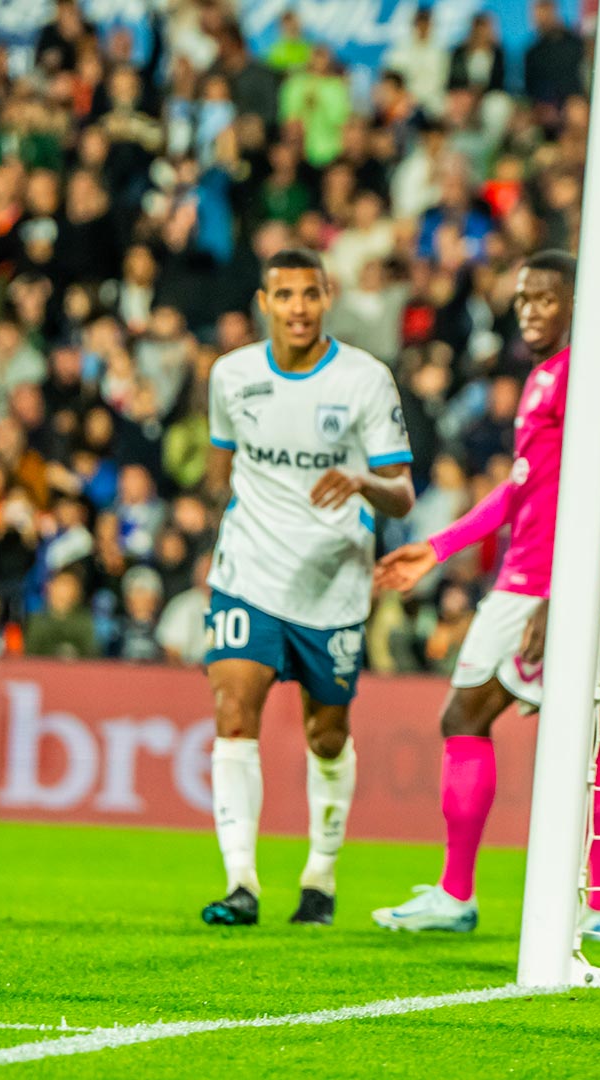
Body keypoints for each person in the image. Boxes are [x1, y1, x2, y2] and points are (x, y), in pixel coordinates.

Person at [369, 250, 600, 937]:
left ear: (577, 302)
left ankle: (586, 906)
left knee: (503, 723)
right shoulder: (544, 377)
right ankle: (587, 905)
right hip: (525, 578)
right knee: (514, 724)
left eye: (544, 298)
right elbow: (521, 493)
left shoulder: (581, 376)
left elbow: (595, 492)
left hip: (546, 584)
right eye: (522, 301)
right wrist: (439, 548)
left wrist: (565, 594)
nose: (530, 311)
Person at [199, 248, 414, 928]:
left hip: (333, 580)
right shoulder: (230, 376)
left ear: (329, 298)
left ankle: (320, 877)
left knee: (326, 735)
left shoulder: (364, 379)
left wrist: (361, 483)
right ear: (263, 303)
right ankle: (241, 884)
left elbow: (403, 496)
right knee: (234, 711)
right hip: (248, 570)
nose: (297, 307)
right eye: (283, 294)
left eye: (309, 294)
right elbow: (220, 461)